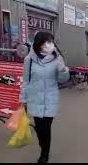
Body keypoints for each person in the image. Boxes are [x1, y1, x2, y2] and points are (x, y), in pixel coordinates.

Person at [19, 31, 70, 163]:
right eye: (46, 42)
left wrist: (63, 70)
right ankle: (43, 145)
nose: (49, 45)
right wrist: (23, 100)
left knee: (45, 128)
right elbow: (26, 81)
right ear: (38, 44)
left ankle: (44, 154)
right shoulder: (28, 60)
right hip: (35, 99)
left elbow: (63, 80)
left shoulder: (57, 58)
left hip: (50, 99)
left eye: (51, 42)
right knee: (39, 128)